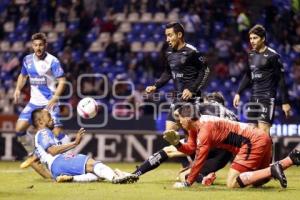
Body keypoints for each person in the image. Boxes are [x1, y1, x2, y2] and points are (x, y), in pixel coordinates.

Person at [164, 104, 300, 188]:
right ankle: (289, 160)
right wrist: (177, 144)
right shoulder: (196, 127)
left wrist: (187, 183)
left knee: (232, 183)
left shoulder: (204, 130)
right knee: (259, 181)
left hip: (252, 141)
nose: (179, 121)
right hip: (260, 138)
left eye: (180, 118)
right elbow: (191, 149)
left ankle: (274, 168)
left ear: (188, 119)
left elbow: (200, 159)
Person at [133, 92, 236, 185]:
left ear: (207, 100)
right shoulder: (232, 114)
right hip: (224, 154)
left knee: (169, 152)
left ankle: (136, 173)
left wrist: (184, 129)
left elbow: (177, 112)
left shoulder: (203, 106)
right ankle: (204, 176)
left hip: (205, 141)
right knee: (190, 173)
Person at [32, 108, 138, 184]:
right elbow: (53, 151)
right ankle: (116, 177)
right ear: (40, 121)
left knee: (96, 175)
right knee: (92, 164)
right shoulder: (43, 132)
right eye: (49, 117)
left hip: (56, 168)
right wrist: (75, 143)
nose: (52, 119)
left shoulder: (42, 137)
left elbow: (39, 157)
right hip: (59, 161)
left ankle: (69, 179)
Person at [14, 32, 67, 178]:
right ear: (32, 45)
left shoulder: (53, 61)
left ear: (45, 45)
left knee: (56, 134)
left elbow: (62, 80)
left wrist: (55, 97)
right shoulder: (27, 60)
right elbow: (23, 75)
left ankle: (58, 161)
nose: (38, 48)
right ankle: (33, 153)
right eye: (35, 45)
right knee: (19, 129)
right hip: (34, 102)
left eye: (41, 45)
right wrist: (18, 89)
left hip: (49, 101)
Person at [145, 22, 210, 132]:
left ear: (179, 35)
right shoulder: (169, 52)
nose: (167, 39)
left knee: (190, 136)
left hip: (193, 99)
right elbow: (168, 72)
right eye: (166, 36)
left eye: (170, 35)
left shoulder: (192, 51)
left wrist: (191, 89)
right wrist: (156, 86)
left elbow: (205, 71)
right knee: (169, 133)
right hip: (178, 98)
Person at [233, 24, 291, 135]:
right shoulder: (251, 54)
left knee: (263, 134)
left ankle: (269, 153)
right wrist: (238, 92)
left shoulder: (273, 56)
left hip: (267, 99)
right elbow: (248, 74)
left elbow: (281, 79)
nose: (252, 41)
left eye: (255, 38)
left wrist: (285, 102)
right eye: (250, 38)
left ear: (263, 38)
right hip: (253, 98)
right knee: (252, 135)